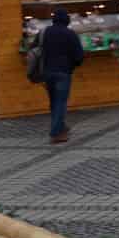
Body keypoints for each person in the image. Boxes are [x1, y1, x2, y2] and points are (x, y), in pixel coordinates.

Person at [36, 9, 85, 144]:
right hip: (63, 72)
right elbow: (79, 56)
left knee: (54, 101)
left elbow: (34, 48)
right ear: (67, 20)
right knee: (61, 102)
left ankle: (61, 127)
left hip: (47, 72)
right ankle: (56, 133)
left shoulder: (44, 32)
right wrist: (72, 66)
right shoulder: (70, 34)